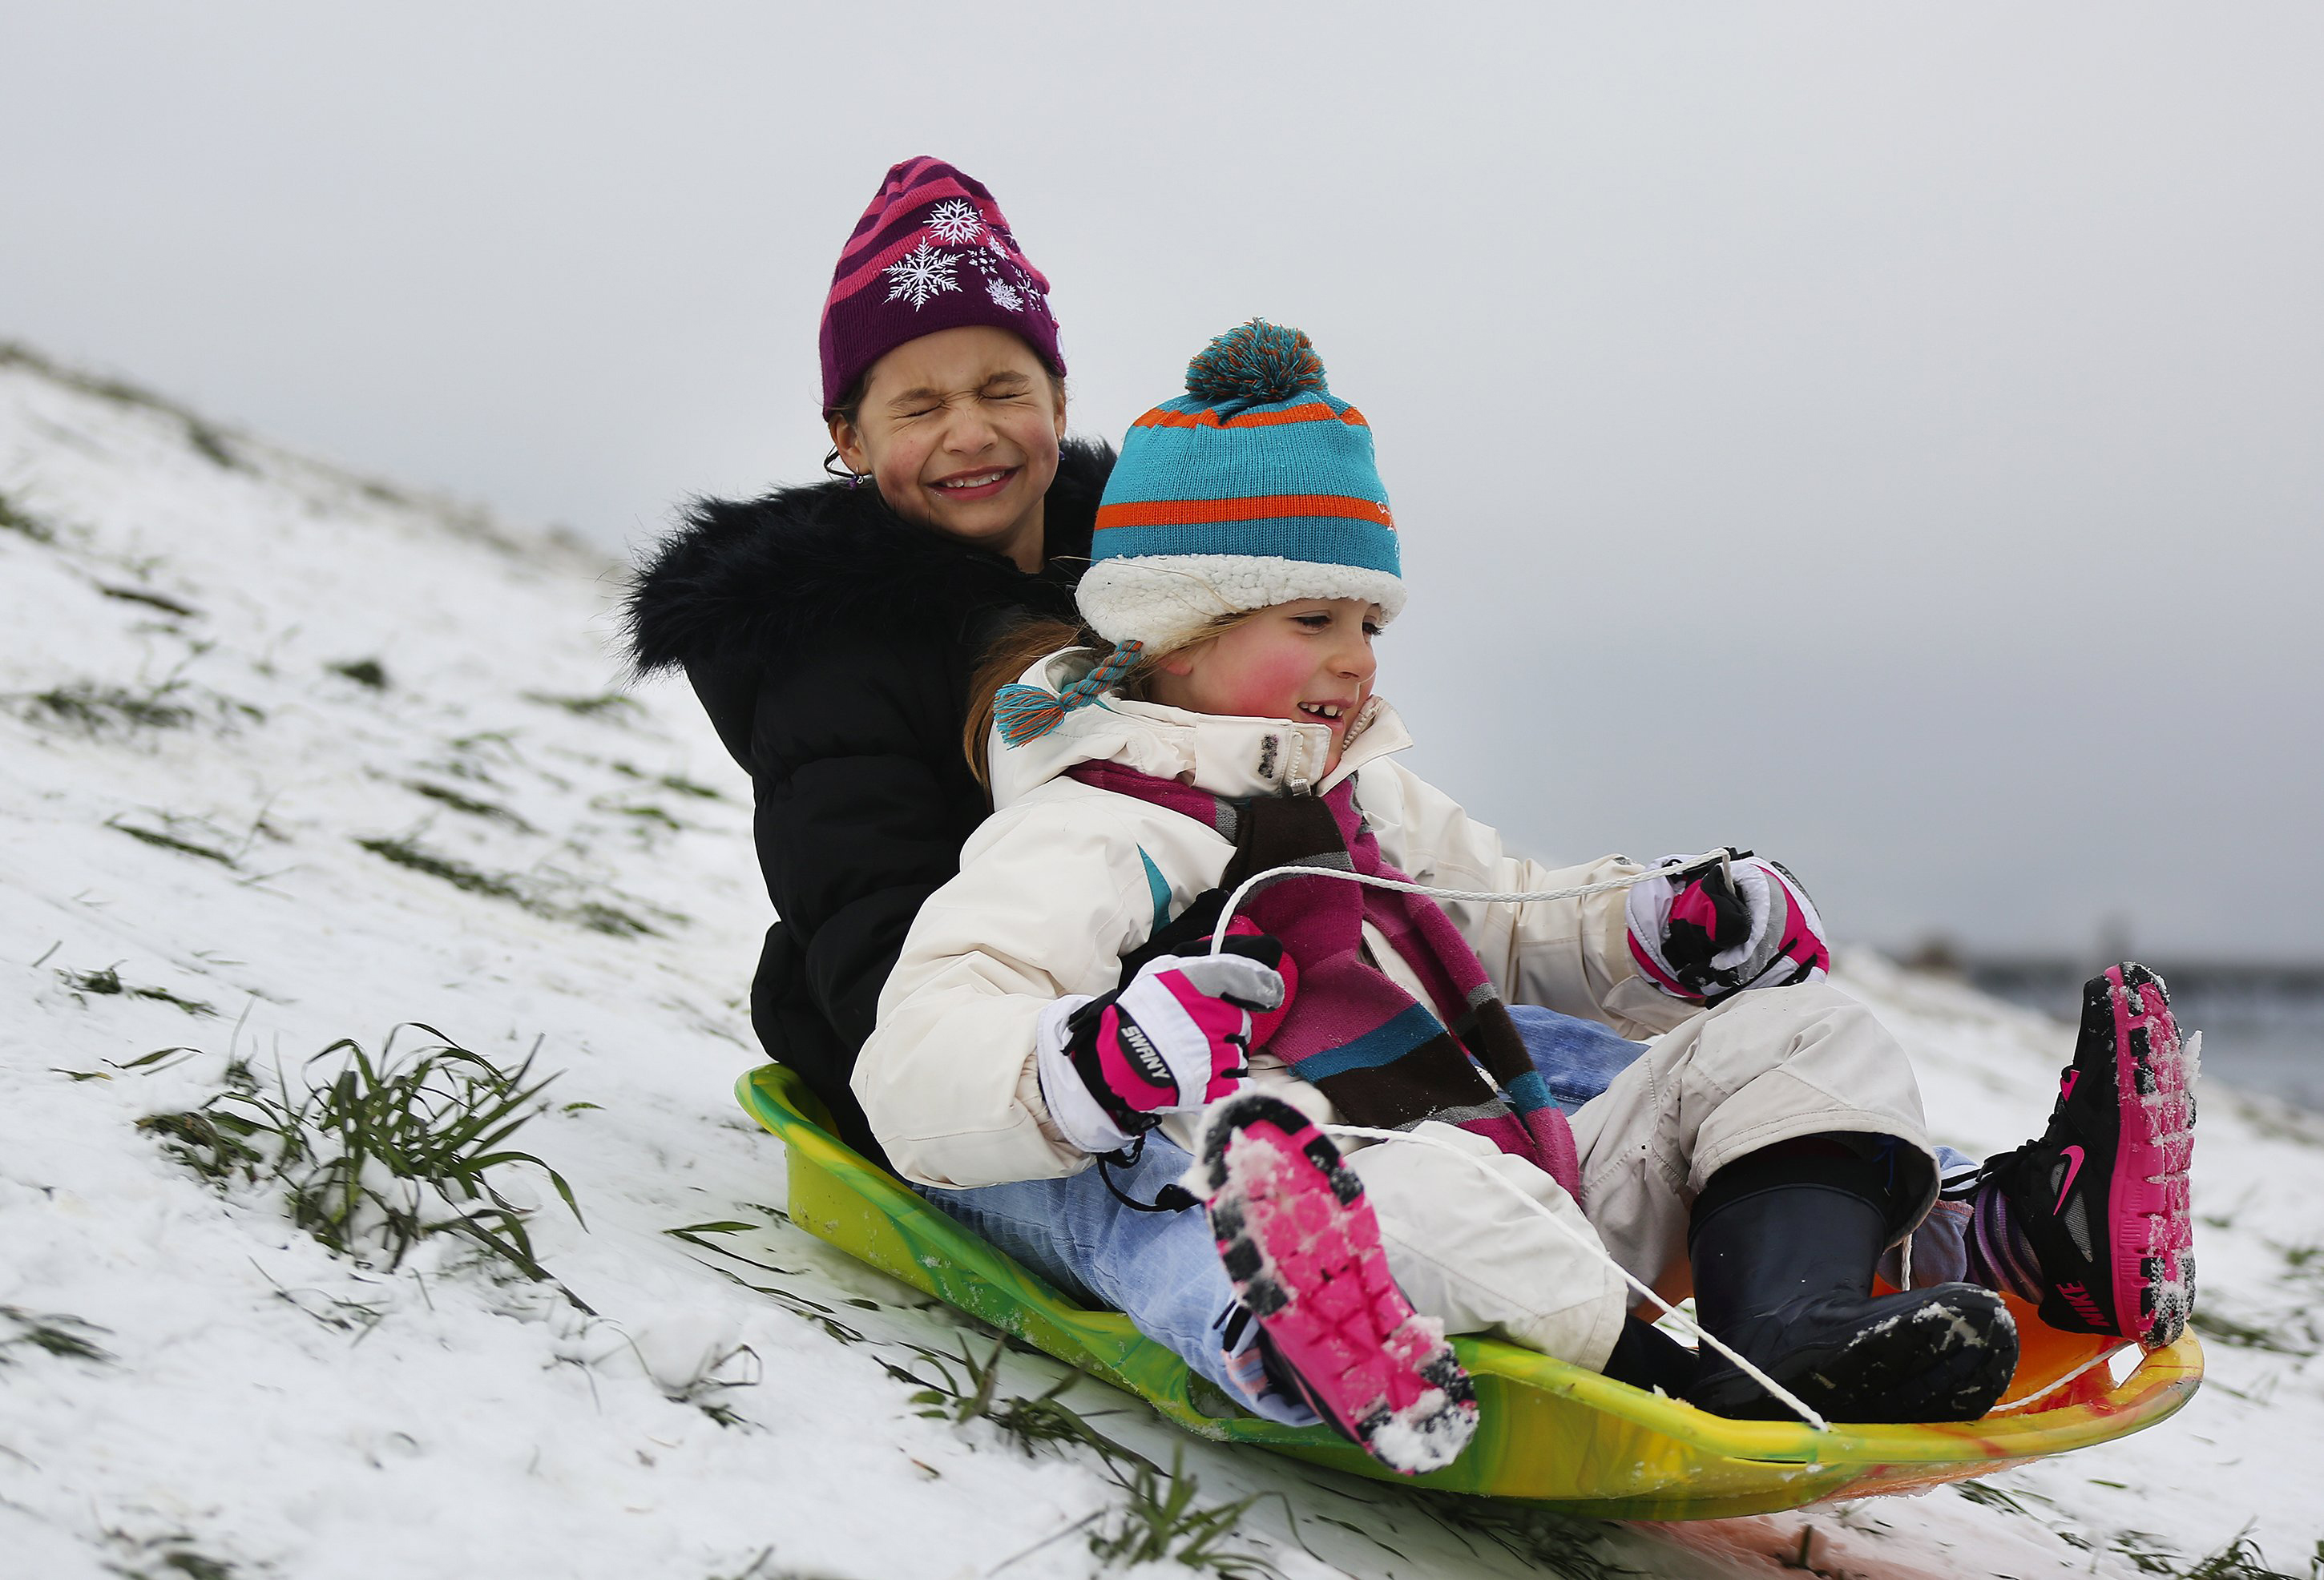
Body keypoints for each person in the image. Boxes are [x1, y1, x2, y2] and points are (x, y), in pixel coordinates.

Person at [854, 321, 2197, 1475]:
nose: (1354, 661)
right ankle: (1679, 1389)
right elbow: (923, 1045)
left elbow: (1506, 913)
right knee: (1432, 1194)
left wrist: (1654, 927)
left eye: (1368, 627)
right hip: (1358, 1217)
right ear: (1184, 629)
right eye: (1312, 621)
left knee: (1804, 1032)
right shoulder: (1100, 826)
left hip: (1548, 1185)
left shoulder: (1359, 795)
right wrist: (1103, 1055)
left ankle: (1794, 1326)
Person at [624, 157, 1113, 1160]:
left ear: (1057, 403)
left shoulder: (1137, 591)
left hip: (1163, 1017)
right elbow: (868, 924)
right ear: (849, 437)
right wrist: (1059, 1078)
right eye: (919, 406)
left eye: (1000, 388)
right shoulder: (832, 654)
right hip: (936, 1065)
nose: (969, 432)